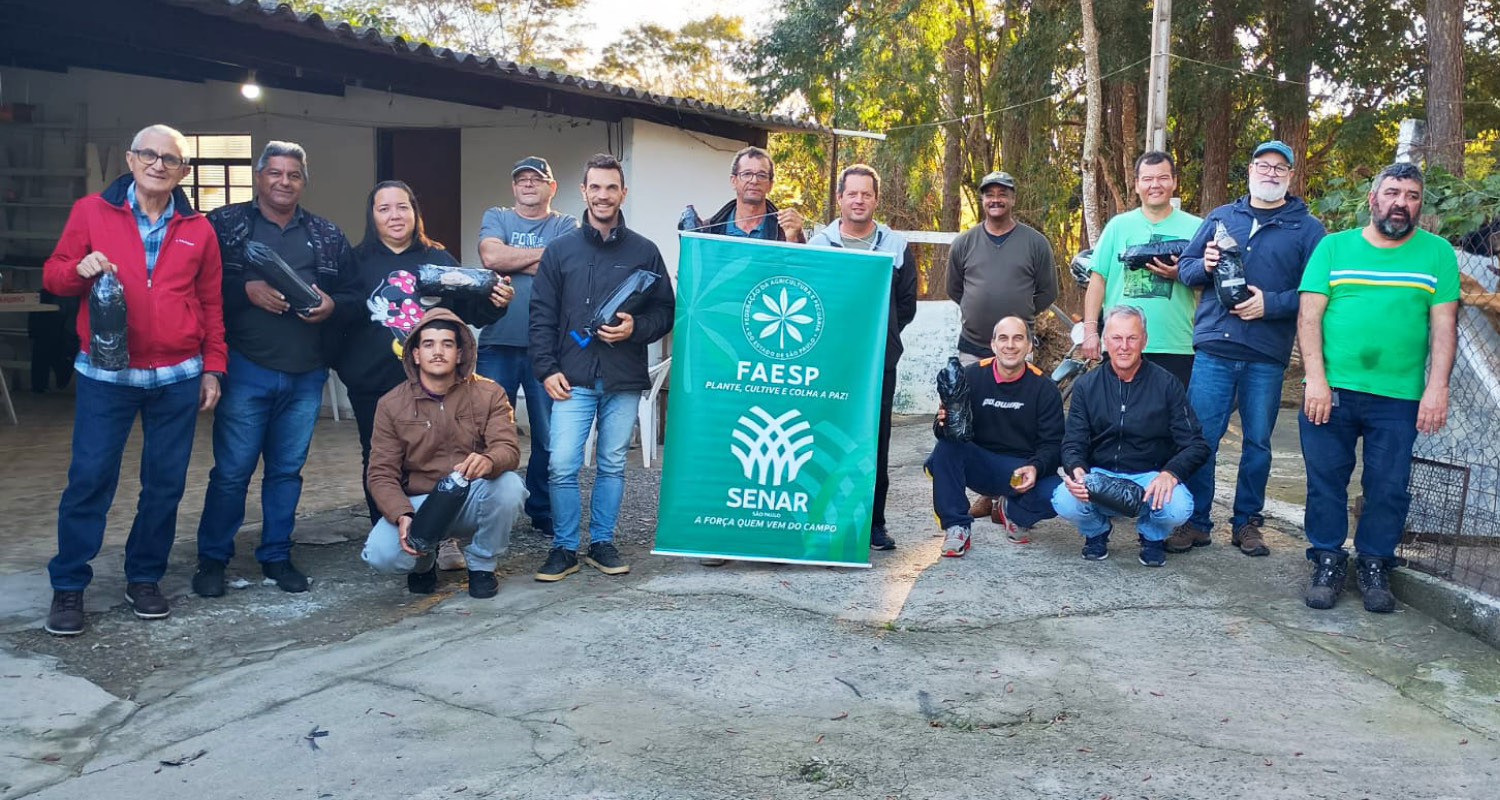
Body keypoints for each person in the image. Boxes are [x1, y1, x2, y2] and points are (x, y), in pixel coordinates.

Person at [42, 124, 226, 636]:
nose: (158, 164)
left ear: (183, 171)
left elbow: (212, 304)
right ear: (130, 159)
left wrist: (214, 367)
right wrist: (78, 269)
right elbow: (53, 275)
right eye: (149, 154)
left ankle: (144, 577)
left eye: (170, 159)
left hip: (177, 376)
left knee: (164, 485)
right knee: (90, 479)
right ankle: (69, 584)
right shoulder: (91, 212)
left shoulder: (199, 228)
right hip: (106, 375)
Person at [192, 141, 360, 598]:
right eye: (275, 173)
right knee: (232, 472)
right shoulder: (224, 225)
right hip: (246, 368)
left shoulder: (326, 234)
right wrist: (245, 289)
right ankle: (213, 558)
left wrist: (332, 305)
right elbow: (196, 284)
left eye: (293, 175)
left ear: (303, 182)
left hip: (306, 373)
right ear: (259, 176)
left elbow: (354, 294)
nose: (284, 182)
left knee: (286, 471)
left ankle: (276, 556)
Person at [1296, 162, 1458, 614]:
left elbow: (1444, 327)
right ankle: (1327, 560)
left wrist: (1437, 388)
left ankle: (1374, 564)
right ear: (1373, 199)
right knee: (1326, 481)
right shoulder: (1333, 247)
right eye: (1392, 193)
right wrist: (1316, 380)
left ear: (1419, 204)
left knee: (1389, 486)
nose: (1401, 203)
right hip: (1333, 390)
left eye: (1411, 196)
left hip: (1399, 396)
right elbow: (1308, 318)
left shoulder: (1437, 254)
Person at [336, 180, 512, 567]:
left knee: (441, 454)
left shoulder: (438, 258)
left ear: (415, 212)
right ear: (372, 216)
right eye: (384, 209)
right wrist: (348, 368)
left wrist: (496, 303)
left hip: (438, 385)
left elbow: (471, 311)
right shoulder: (354, 261)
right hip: (374, 383)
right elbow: (339, 319)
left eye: (403, 207)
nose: (394, 216)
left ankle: (443, 536)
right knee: (379, 461)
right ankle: (395, 531)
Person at [1172, 140, 1326, 557]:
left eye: (1279, 167)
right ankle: (1195, 521)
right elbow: (1185, 269)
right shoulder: (1222, 217)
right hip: (1214, 349)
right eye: (1263, 165)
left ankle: (1246, 523)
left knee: (1257, 443)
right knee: (1201, 438)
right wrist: (1204, 265)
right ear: (1251, 171)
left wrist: (1270, 304)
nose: (1271, 173)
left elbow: (1317, 291)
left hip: (1265, 353)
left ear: (1290, 175)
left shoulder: (1308, 229)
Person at [529, 153, 676, 582]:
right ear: (584, 192)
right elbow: (541, 315)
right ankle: (563, 547)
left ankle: (601, 542)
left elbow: (666, 312)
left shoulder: (645, 251)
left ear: (622, 193)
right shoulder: (560, 251)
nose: (603, 195)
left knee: (611, 464)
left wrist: (635, 328)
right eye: (595, 187)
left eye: (611, 187)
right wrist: (545, 368)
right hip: (570, 377)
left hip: (622, 378)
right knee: (562, 465)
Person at [360, 309, 527, 598]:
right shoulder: (391, 404)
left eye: (447, 344)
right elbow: (380, 473)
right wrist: (401, 514)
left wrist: (489, 461)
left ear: (460, 354)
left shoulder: (489, 393)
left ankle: (482, 565)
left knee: (510, 486)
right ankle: (424, 561)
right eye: (428, 344)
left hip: (470, 494)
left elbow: (508, 448)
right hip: (420, 504)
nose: (438, 352)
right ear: (415, 354)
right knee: (380, 555)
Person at [808, 164, 918, 551]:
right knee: (825, 436)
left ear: (876, 199)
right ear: (839, 198)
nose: (859, 200)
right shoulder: (819, 245)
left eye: (866, 194)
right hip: (829, 365)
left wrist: (880, 337)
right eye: (852, 194)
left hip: (877, 365)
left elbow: (906, 306)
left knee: (875, 441)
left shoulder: (896, 246)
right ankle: (821, 519)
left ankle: (873, 524)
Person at [1051, 305, 1209, 566]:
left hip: (1149, 478)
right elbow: (1073, 441)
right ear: (1105, 340)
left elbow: (1196, 444)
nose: (1123, 346)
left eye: (1132, 338)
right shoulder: (1086, 385)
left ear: (1144, 340)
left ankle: (1151, 535)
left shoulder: (1168, 384)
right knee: (1064, 500)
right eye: (1116, 338)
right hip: (1100, 475)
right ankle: (1096, 532)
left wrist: (1170, 473)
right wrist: (1076, 469)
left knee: (1180, 508)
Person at [476, 157, 577, 543]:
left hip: (547, 349)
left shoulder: (567, 225)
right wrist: (542, 256)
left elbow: (564, 265)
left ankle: (542, 509)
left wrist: (514, 260)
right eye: (522, 179)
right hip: (496, 344)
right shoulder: (497, 216)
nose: (529, 184)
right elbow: (491, 257)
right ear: (514, 186)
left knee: (548, 436)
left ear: (552, 187)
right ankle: (482, 508)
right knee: (485, 432)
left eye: (537, 179)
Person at [925, 316, 1064, 557]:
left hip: (1021, 472)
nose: (1010, 345)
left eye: (1018, 338)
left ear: (1029, 346)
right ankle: (956, 526)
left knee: (1058, 495)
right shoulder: (970, 376)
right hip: (979, 465)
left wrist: (1036, 467)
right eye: (1003, 338)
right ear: (993, 344)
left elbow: (1053, 446)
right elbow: (947, 430)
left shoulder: (1045, 388)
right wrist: (943, 422)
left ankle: (1013, 512)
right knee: (946, 446)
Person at [1082, 151, 1203, 388]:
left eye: (1163, 178)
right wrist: (1090, 331)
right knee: (1118, 409)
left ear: (1174, 182)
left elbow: (1206, 282)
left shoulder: (1196, 228)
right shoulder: (1118, 226)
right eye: (1147, 179)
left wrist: (1180, 274)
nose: (1155, 185)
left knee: (1171, 410)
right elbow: (1098, 280)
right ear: (1137, 185)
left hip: (1175, 345)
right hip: (1121, 345)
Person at [945, 170, 1057, 365]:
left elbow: (1048, 292)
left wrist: (1022, 309)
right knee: (969, 386)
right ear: (982, 200)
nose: (995, 200)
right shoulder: (964, 243)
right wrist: (977, 307)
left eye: (1002, 194)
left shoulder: (1036, 243)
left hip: (1017, 349)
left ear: (1013, 199)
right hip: (973, 347)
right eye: (990, 195)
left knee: (1020, 387)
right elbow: (954, 289)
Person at [698, 145, 805, 242]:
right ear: (734, 181)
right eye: (747, 174)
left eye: (761, 175)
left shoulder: (784, 230)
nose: (754, 181)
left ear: (770, 184)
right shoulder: (709, 230)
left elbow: (797, 258)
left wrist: (794, 239)